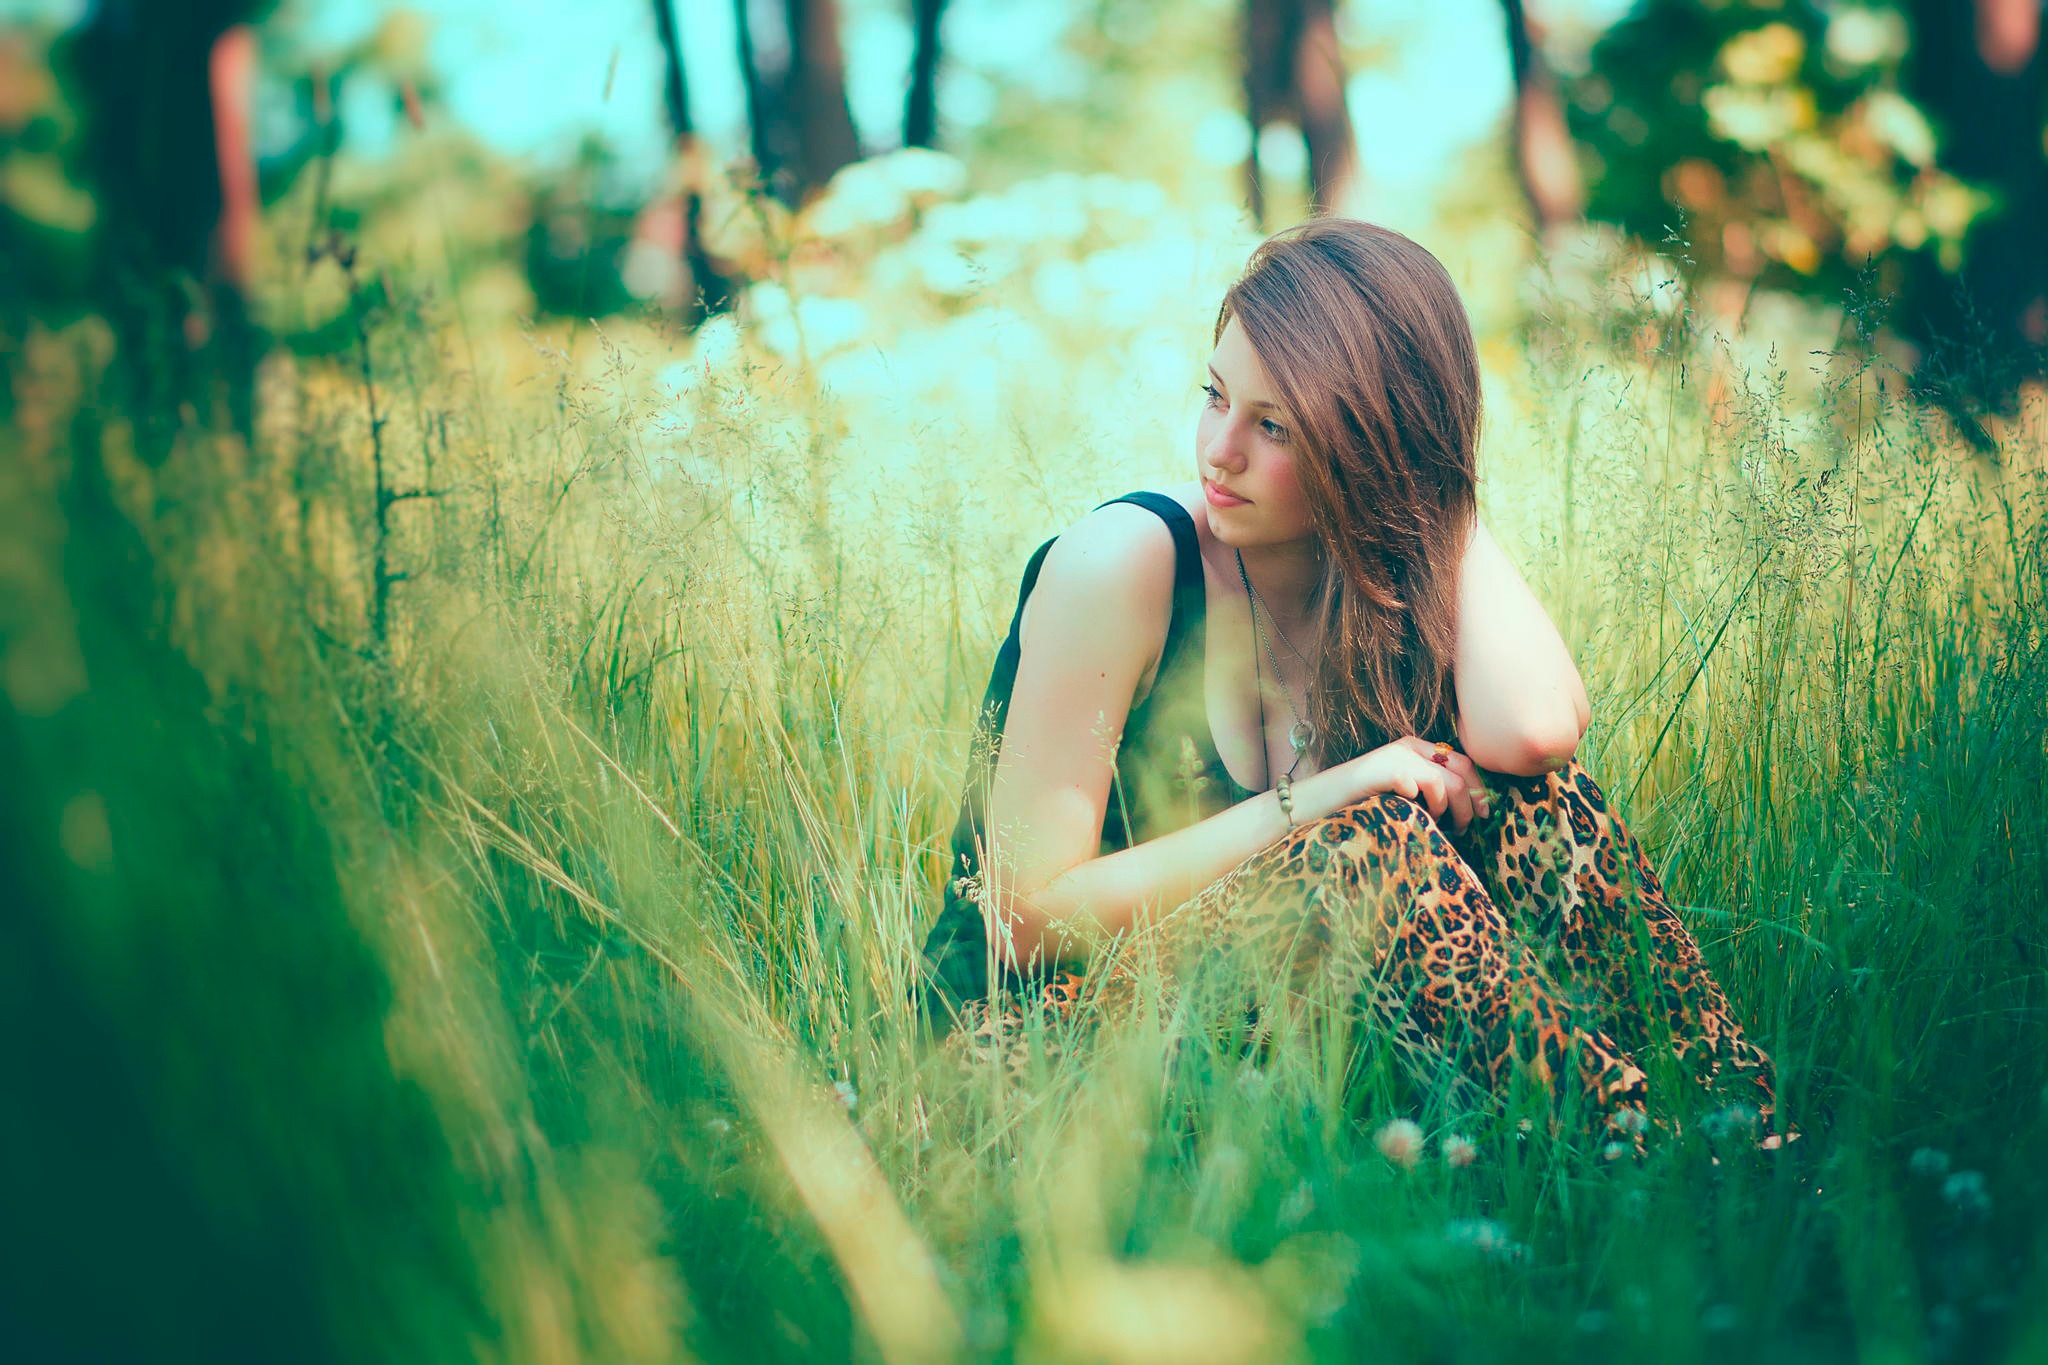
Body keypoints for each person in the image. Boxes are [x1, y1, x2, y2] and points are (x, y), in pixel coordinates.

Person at [915, 217, 1796, 1156]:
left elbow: (1534, 736)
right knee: (1364, 838)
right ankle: (1646, 1159)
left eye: (1275, 425)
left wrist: (1439, 491)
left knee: (1539, 804)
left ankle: (1750, 1143)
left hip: (1244, 1044)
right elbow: (1018, 917)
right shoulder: (1128, 564)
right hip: (1025, 1058)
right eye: (1215, 396)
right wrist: (1320, 801)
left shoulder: (1376, 583)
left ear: (1373, 445)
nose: (1218, 451)